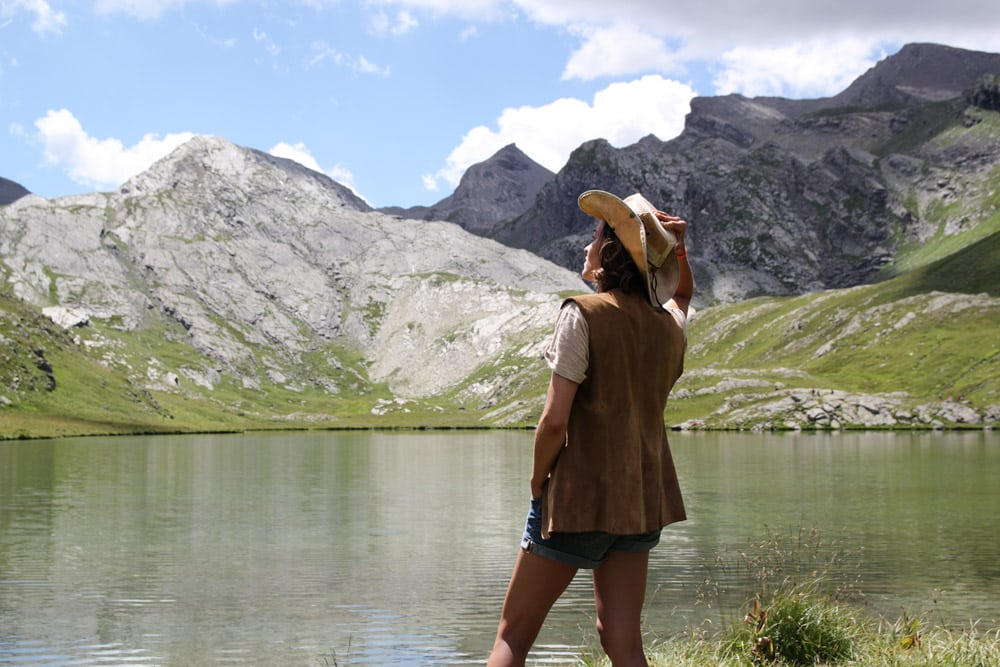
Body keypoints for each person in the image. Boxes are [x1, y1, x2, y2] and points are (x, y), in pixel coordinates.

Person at [487, 190, 693, 667]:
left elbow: (555, 420)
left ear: (612, 253)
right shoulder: (671, 327)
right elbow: (681, 294)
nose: (586, 247)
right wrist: (677, 248)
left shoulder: (582, 313)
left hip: (578, 499)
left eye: (596, 237)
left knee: (513, 638)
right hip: (642, 501)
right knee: (623, 641)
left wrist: (539, 480)